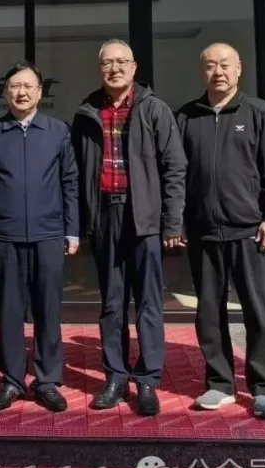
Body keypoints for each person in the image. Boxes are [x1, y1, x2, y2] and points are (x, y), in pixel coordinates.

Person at [70, 39, 186, 417]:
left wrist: (172, 221)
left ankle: (148, 379)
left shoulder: (154, 109)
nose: (115, 68)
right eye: (108, 63)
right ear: (100, 69)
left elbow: (175, 168)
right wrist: (81, 223)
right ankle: (116, 377)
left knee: (149, 302)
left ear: (134, 68)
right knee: (112, 303)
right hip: (106, 216)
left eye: (122, 62)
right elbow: (76, 173)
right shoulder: (87, 112)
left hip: (144, 217)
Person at [176, 43, 265, 419]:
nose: (218, 72)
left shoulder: (258, 112)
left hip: (250, 231)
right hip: (203, 231)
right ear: (202, 71)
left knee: (258, 310)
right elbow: (177, 173)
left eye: (225, 65)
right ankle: (220, 383)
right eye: (211, 65)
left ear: (239, 68)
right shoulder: (187, 116)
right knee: (209, 311)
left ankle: (264, 387)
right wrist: (179, 219)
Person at [0, 61, 79, 413]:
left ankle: (48, 380)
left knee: (48, 310)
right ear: (5, 92)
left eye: (28, 86)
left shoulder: (57, 131)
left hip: (49, 234)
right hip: (5, 235)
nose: (21, 92)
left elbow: (70, 183)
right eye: (14, 86)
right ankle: (13, 379)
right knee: (9, 310)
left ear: (39, 91)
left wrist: (72, 229)